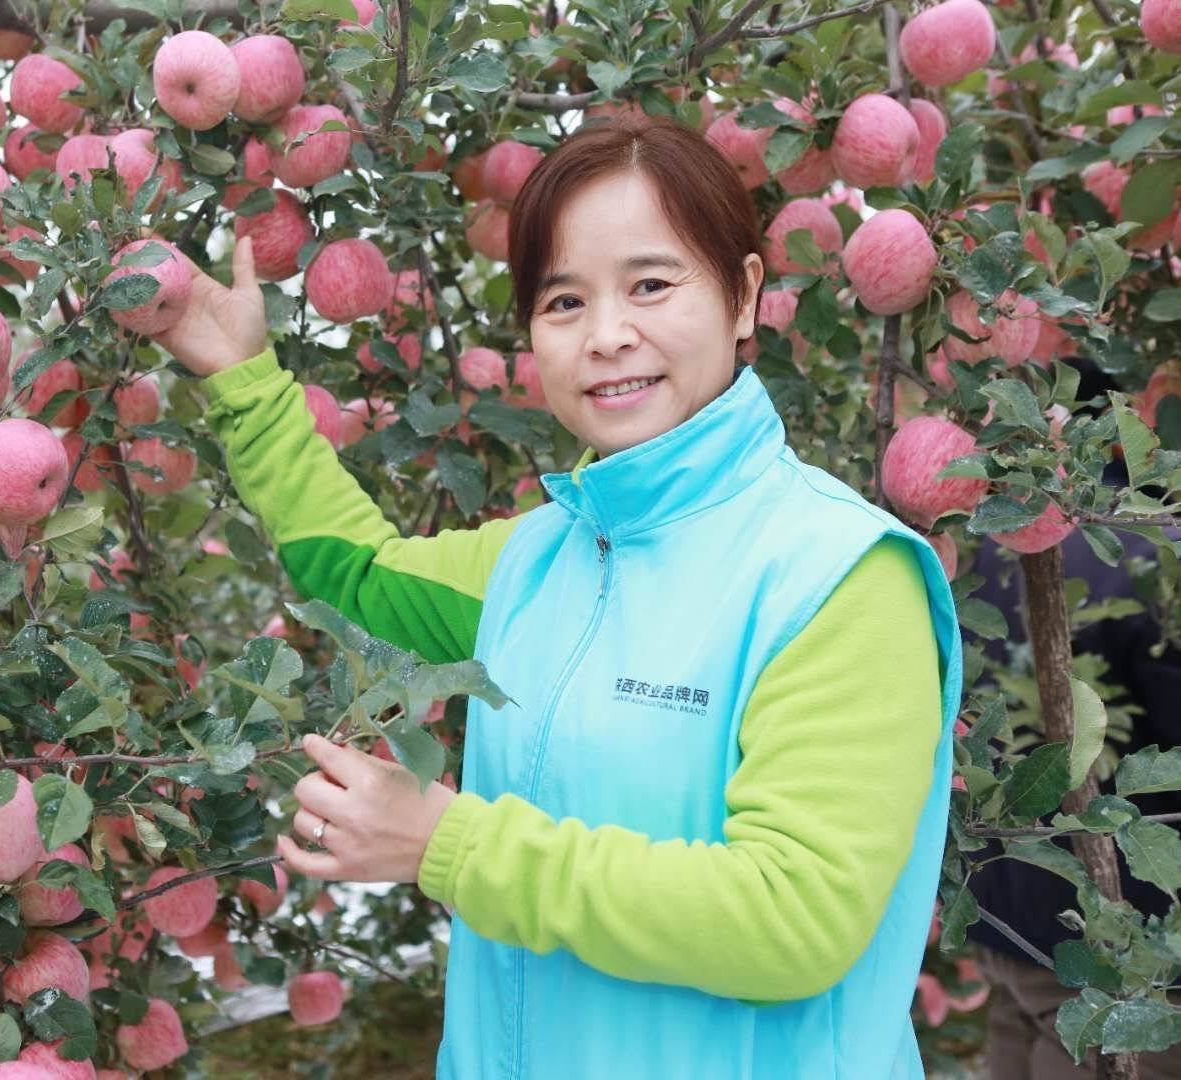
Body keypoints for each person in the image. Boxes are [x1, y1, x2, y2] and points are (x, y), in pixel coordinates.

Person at [146, 116, 963, 1078]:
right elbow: (359, 572)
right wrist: (247, 380)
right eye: (564, 299)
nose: (608, 335)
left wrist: (451, 844)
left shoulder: (838, 575)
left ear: (743, 295)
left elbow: (794, 921)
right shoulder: (534, 564)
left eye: (652, 285)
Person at [964, 358, 1181, 1079]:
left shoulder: (979, 544)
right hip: (1106, 931)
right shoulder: (1152, 553)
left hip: (1004, 896)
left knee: (1014, 1046)